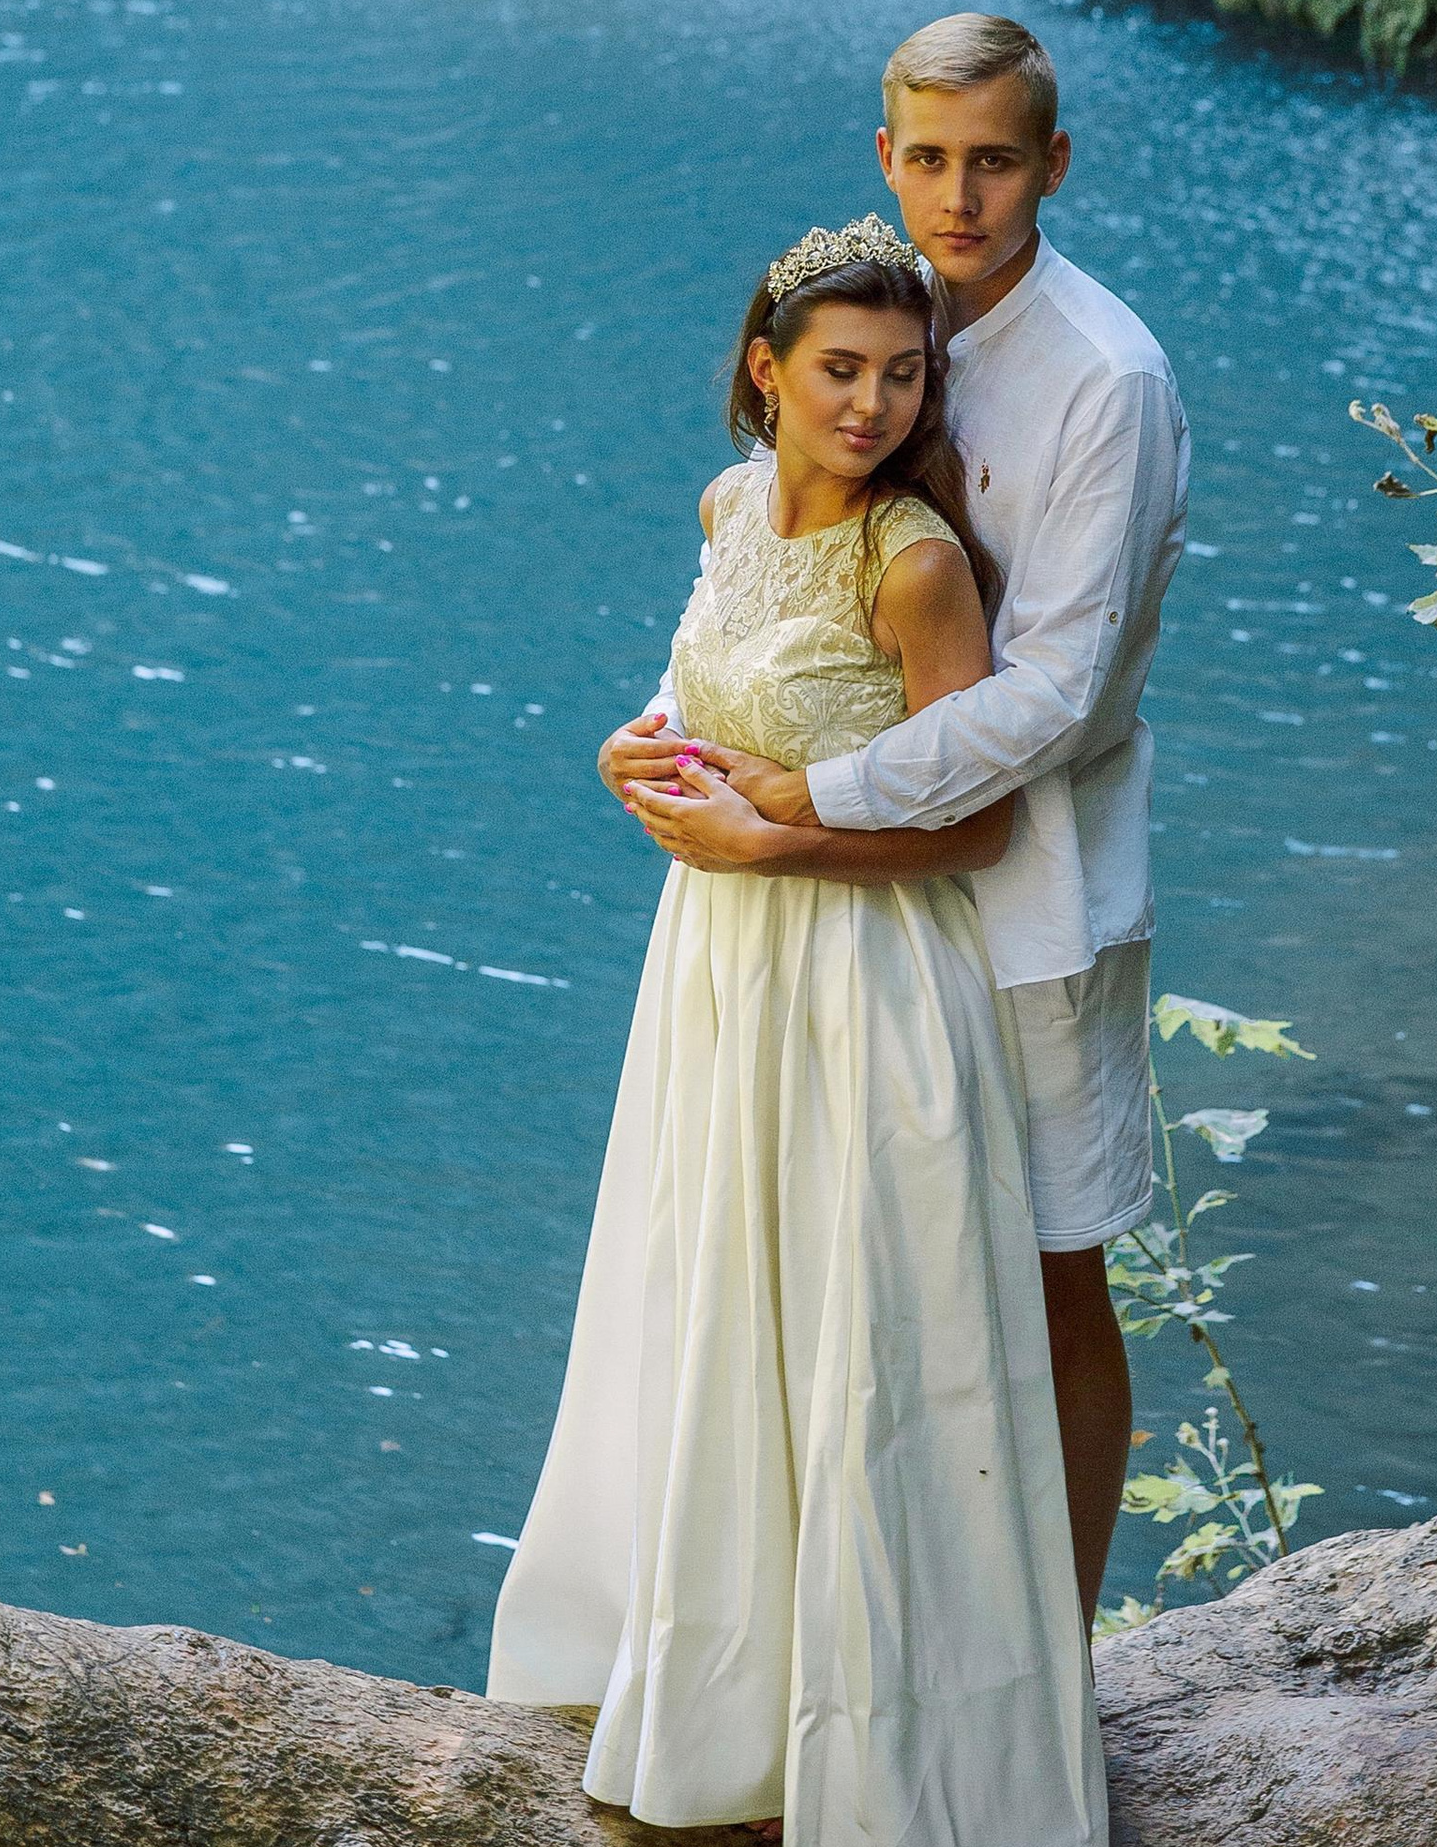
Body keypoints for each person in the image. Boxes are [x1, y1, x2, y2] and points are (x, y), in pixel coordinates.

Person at [487, 215, 1106, 1847]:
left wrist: (788, 843)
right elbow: (703, 704)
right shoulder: (725, 508)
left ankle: (881, 1754)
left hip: (861, 981)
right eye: (840, 370)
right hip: (715, 968)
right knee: (714, 1308)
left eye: (904, 375)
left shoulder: (916, 565)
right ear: (765, 374)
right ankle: (723, 1707)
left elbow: (975, 829)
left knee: (857, 1351)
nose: (874, 403)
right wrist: (637, 755)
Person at [613, 14, 1189, 1620]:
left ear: (1051, 165)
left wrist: (810, 805)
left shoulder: (1107, 383)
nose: (962, 196)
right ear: (886, 157)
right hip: (853, 916)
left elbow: (1054, 697)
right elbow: (772, 573)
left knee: (1051, 1266)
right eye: (929, 158)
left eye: (995, 160)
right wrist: (667, 734)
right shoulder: (872, 325)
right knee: (867, 1266)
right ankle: (849, 1639)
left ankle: (1044, 1666)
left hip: (1033, 880)